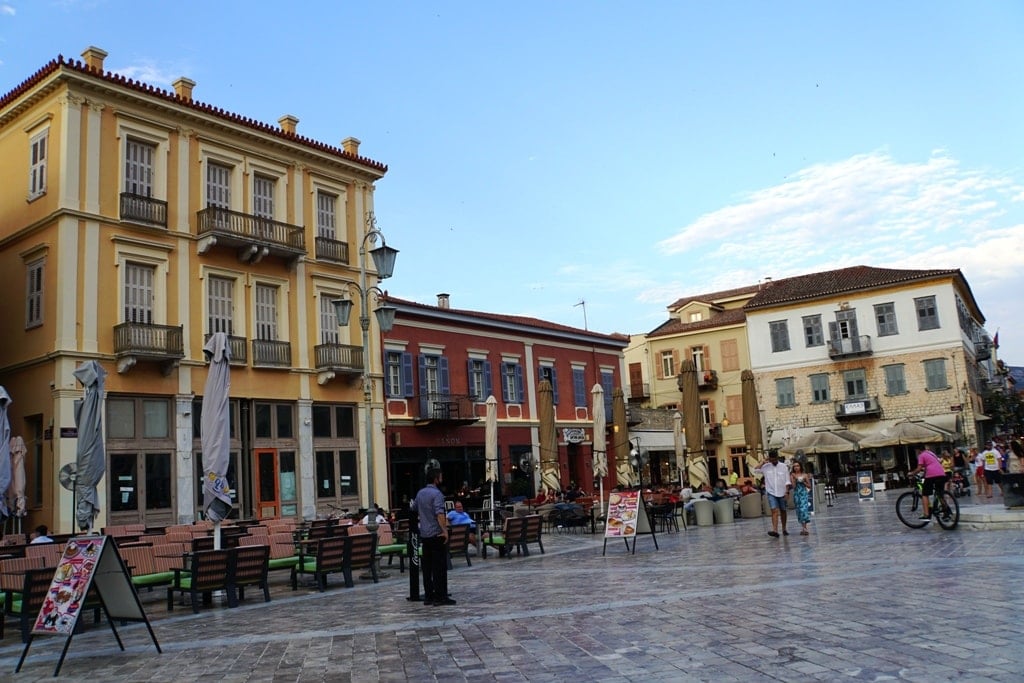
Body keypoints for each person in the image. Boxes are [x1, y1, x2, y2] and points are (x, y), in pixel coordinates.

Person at [414, 468, 455, 606]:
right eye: (440, 476)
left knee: (427, 567)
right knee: (439, 567)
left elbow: (413, 508)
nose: (442, 478)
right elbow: (439, 514)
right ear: (436, 478)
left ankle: (429, 595)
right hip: (436, 534)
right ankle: (440, 596)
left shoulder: (420, 493)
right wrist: (445, 531)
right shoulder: (437, 494)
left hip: (425, 535)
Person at [756, 451, 791, 537]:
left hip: (782, 491)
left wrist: (787, 491)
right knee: (774, 510)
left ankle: (784, 528)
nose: (773, 461)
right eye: (772, 459)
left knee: (783, 510)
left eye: (775, 459)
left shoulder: (783, 467)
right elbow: (755, 470)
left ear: (777, 458)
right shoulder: (766, 467)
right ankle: (775, 530)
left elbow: (787, 480)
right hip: (771, 492)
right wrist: (763, 461)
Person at [907, 445, 946, 521]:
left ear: (918, 450)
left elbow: (919, 468)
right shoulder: (930, 453)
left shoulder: (921, 455)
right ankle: (946, 510)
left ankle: (926, 514)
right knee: (939, 493)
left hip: (932, 475)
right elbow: (936, 462)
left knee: (925, 494)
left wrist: (911, 473)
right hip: (941, 473)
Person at [790, 462, 812, 535]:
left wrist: (803, 482)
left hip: (803, 494)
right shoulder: (792, 475)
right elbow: (793, 487)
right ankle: (803, 527)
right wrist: (795, 479)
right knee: (799, 511)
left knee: (803, 510)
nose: (796, 467)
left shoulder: (805, 475)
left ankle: (805, 528)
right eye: (794, 466)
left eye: (797, 466)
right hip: (797, 494)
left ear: (800, 467)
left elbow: (809, 486)